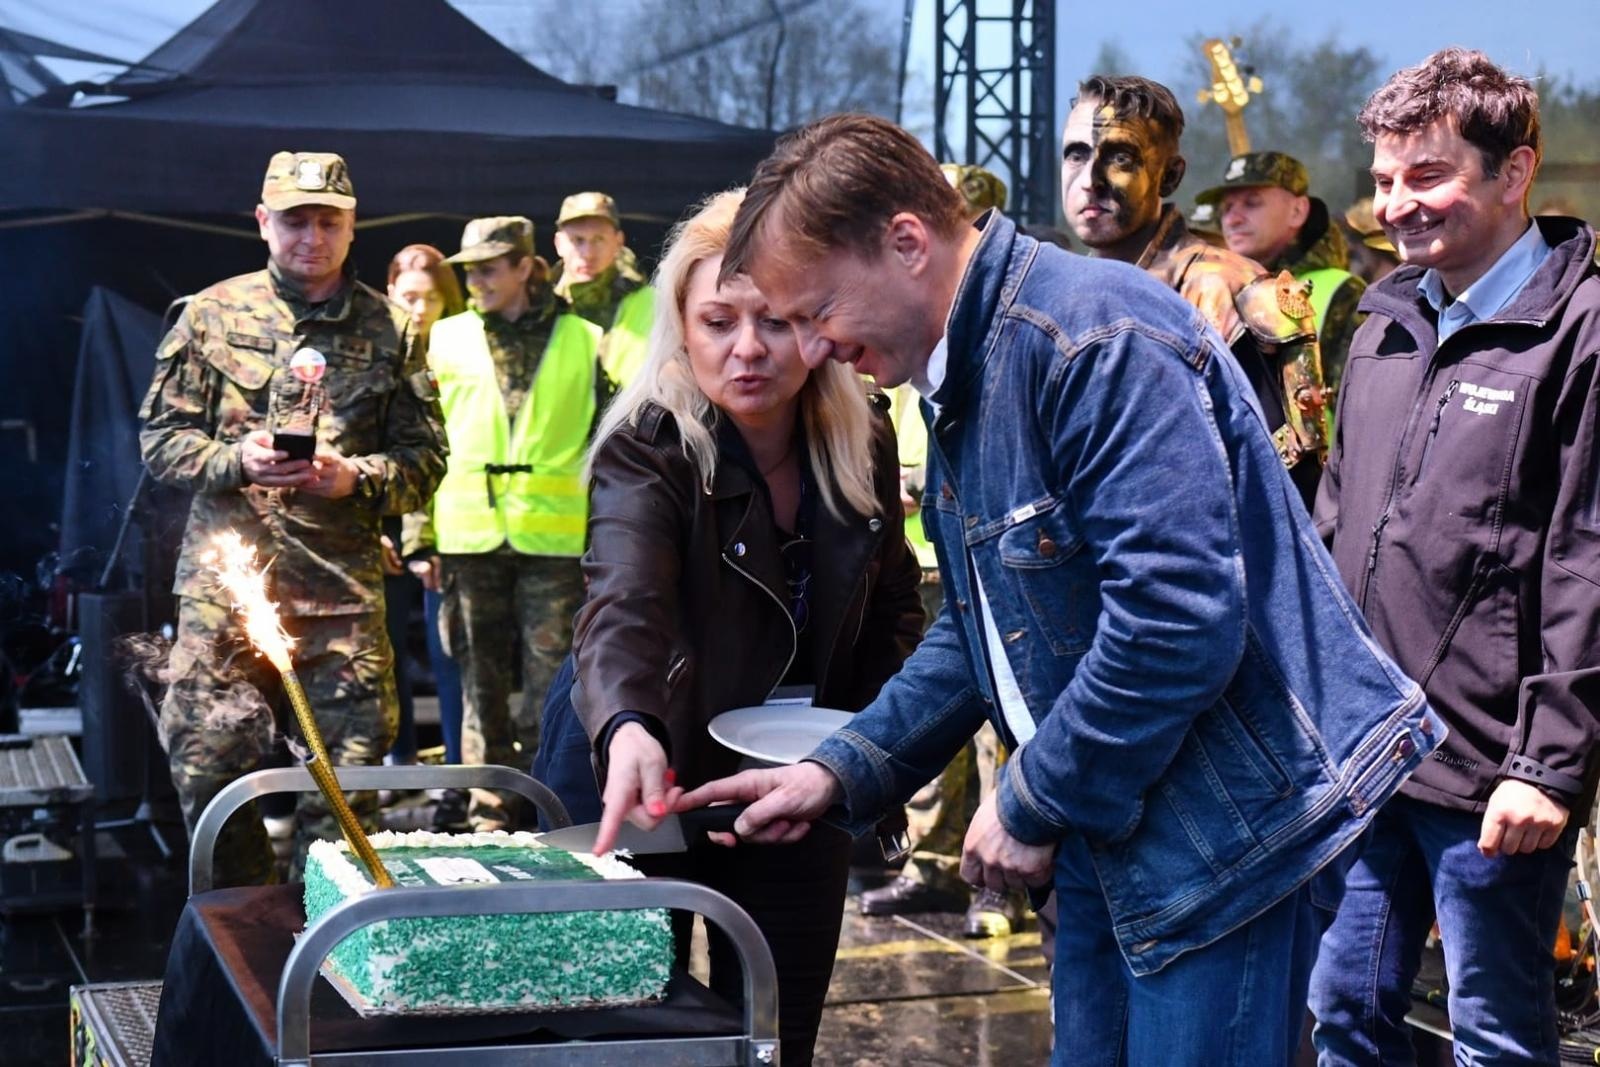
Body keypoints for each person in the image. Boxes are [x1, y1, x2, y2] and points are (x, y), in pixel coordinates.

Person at [674, 113, 1443, 1067]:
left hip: (1221, 848)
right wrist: (842, 769)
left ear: (907, 243)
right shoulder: (969, 367)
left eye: (816, 309)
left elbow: (1175, 622)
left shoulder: (1093, 336)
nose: (813, 347)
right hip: (1112, 833)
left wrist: (1031, 797)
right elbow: (982, 627)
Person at [539, 188, 923, 1065]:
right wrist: (627, 726)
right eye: (718, 321)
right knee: (636, 1041)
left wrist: (865, 758)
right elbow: (622, 603)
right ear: (682, 327)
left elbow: (893, 606)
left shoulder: (861, 435)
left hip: (796, 773)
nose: (747, 349)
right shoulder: (648, 442)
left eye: (775, 320)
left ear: (816, 323)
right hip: (643, 766)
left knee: (778, 1035)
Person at [1309, 49, 1600, 1066]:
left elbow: (1588, 559)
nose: (1396, 205)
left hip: (1493, 776)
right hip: (1367, 755)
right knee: (1343, 1010)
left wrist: (1545, 765)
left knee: (1495, 1035)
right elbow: (1338, 518)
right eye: (1384, 179)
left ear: (1514, 171)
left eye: (1426, 175)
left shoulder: (1580, 333)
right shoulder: (1384, 321)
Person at [139, 151, 447, 887]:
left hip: (340, 603)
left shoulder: (393, 328)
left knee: (344, 797)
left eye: (328, 222)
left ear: (352, 226)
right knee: (207, 775)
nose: (312, 237)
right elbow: (160, 441)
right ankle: (243, 931)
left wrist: (353, 477)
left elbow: (427, 461)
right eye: (295, 220)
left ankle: (326, 940)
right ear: (262, 221)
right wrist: (234, 460)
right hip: (225, 594)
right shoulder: (209, 314)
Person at [862, 161, 1023, 939]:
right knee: (930, 713)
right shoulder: (907, 322)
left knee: (1000, 726)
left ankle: (997, 882)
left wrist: (920, 482)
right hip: (922, 557)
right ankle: (928, 863)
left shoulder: (1001, 326)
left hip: (985, 556)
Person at [1060, 75, 1332, 509]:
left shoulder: (1230, 290)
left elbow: (1286, 480)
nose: (1089, 179)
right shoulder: (1058, 294)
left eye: (1120, 157)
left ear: (1169, 176)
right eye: (1076, 154)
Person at [416, 217, 604, 831]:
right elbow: (419, 436)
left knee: (553, 683)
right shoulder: (444, 338)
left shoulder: (586, 338)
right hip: (467, 535)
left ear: (526, 267)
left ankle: (544, 802)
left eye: (489, 268)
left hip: (554, 539)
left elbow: (608, 445)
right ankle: (488, 810)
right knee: (479, 682)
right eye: (468, 270)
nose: (476, 280)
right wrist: (419, 535)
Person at [385, 246, 465, 795]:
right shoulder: (372, 348)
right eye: (409, 296)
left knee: (448, 651)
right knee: (384, 649)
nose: (418, 309)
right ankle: (397, 760)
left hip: (443, 518)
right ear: (389, 291)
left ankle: (454, 774)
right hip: (379, 519)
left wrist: (425, 537)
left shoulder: (459, 351)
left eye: (431, 298)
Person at [1197, 151, 1366, 396]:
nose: (1232, 220)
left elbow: (1359, 404)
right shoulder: (1212, 293)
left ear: (1297, 211)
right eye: (1226, 208)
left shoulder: (1343, 293)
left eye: (1252, 203)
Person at [553, 191, 655, 389]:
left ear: (618, 242)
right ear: (558, 244)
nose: (588, 254)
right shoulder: (540, 309)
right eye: (577, 240)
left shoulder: (655, 305)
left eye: (599, 240)